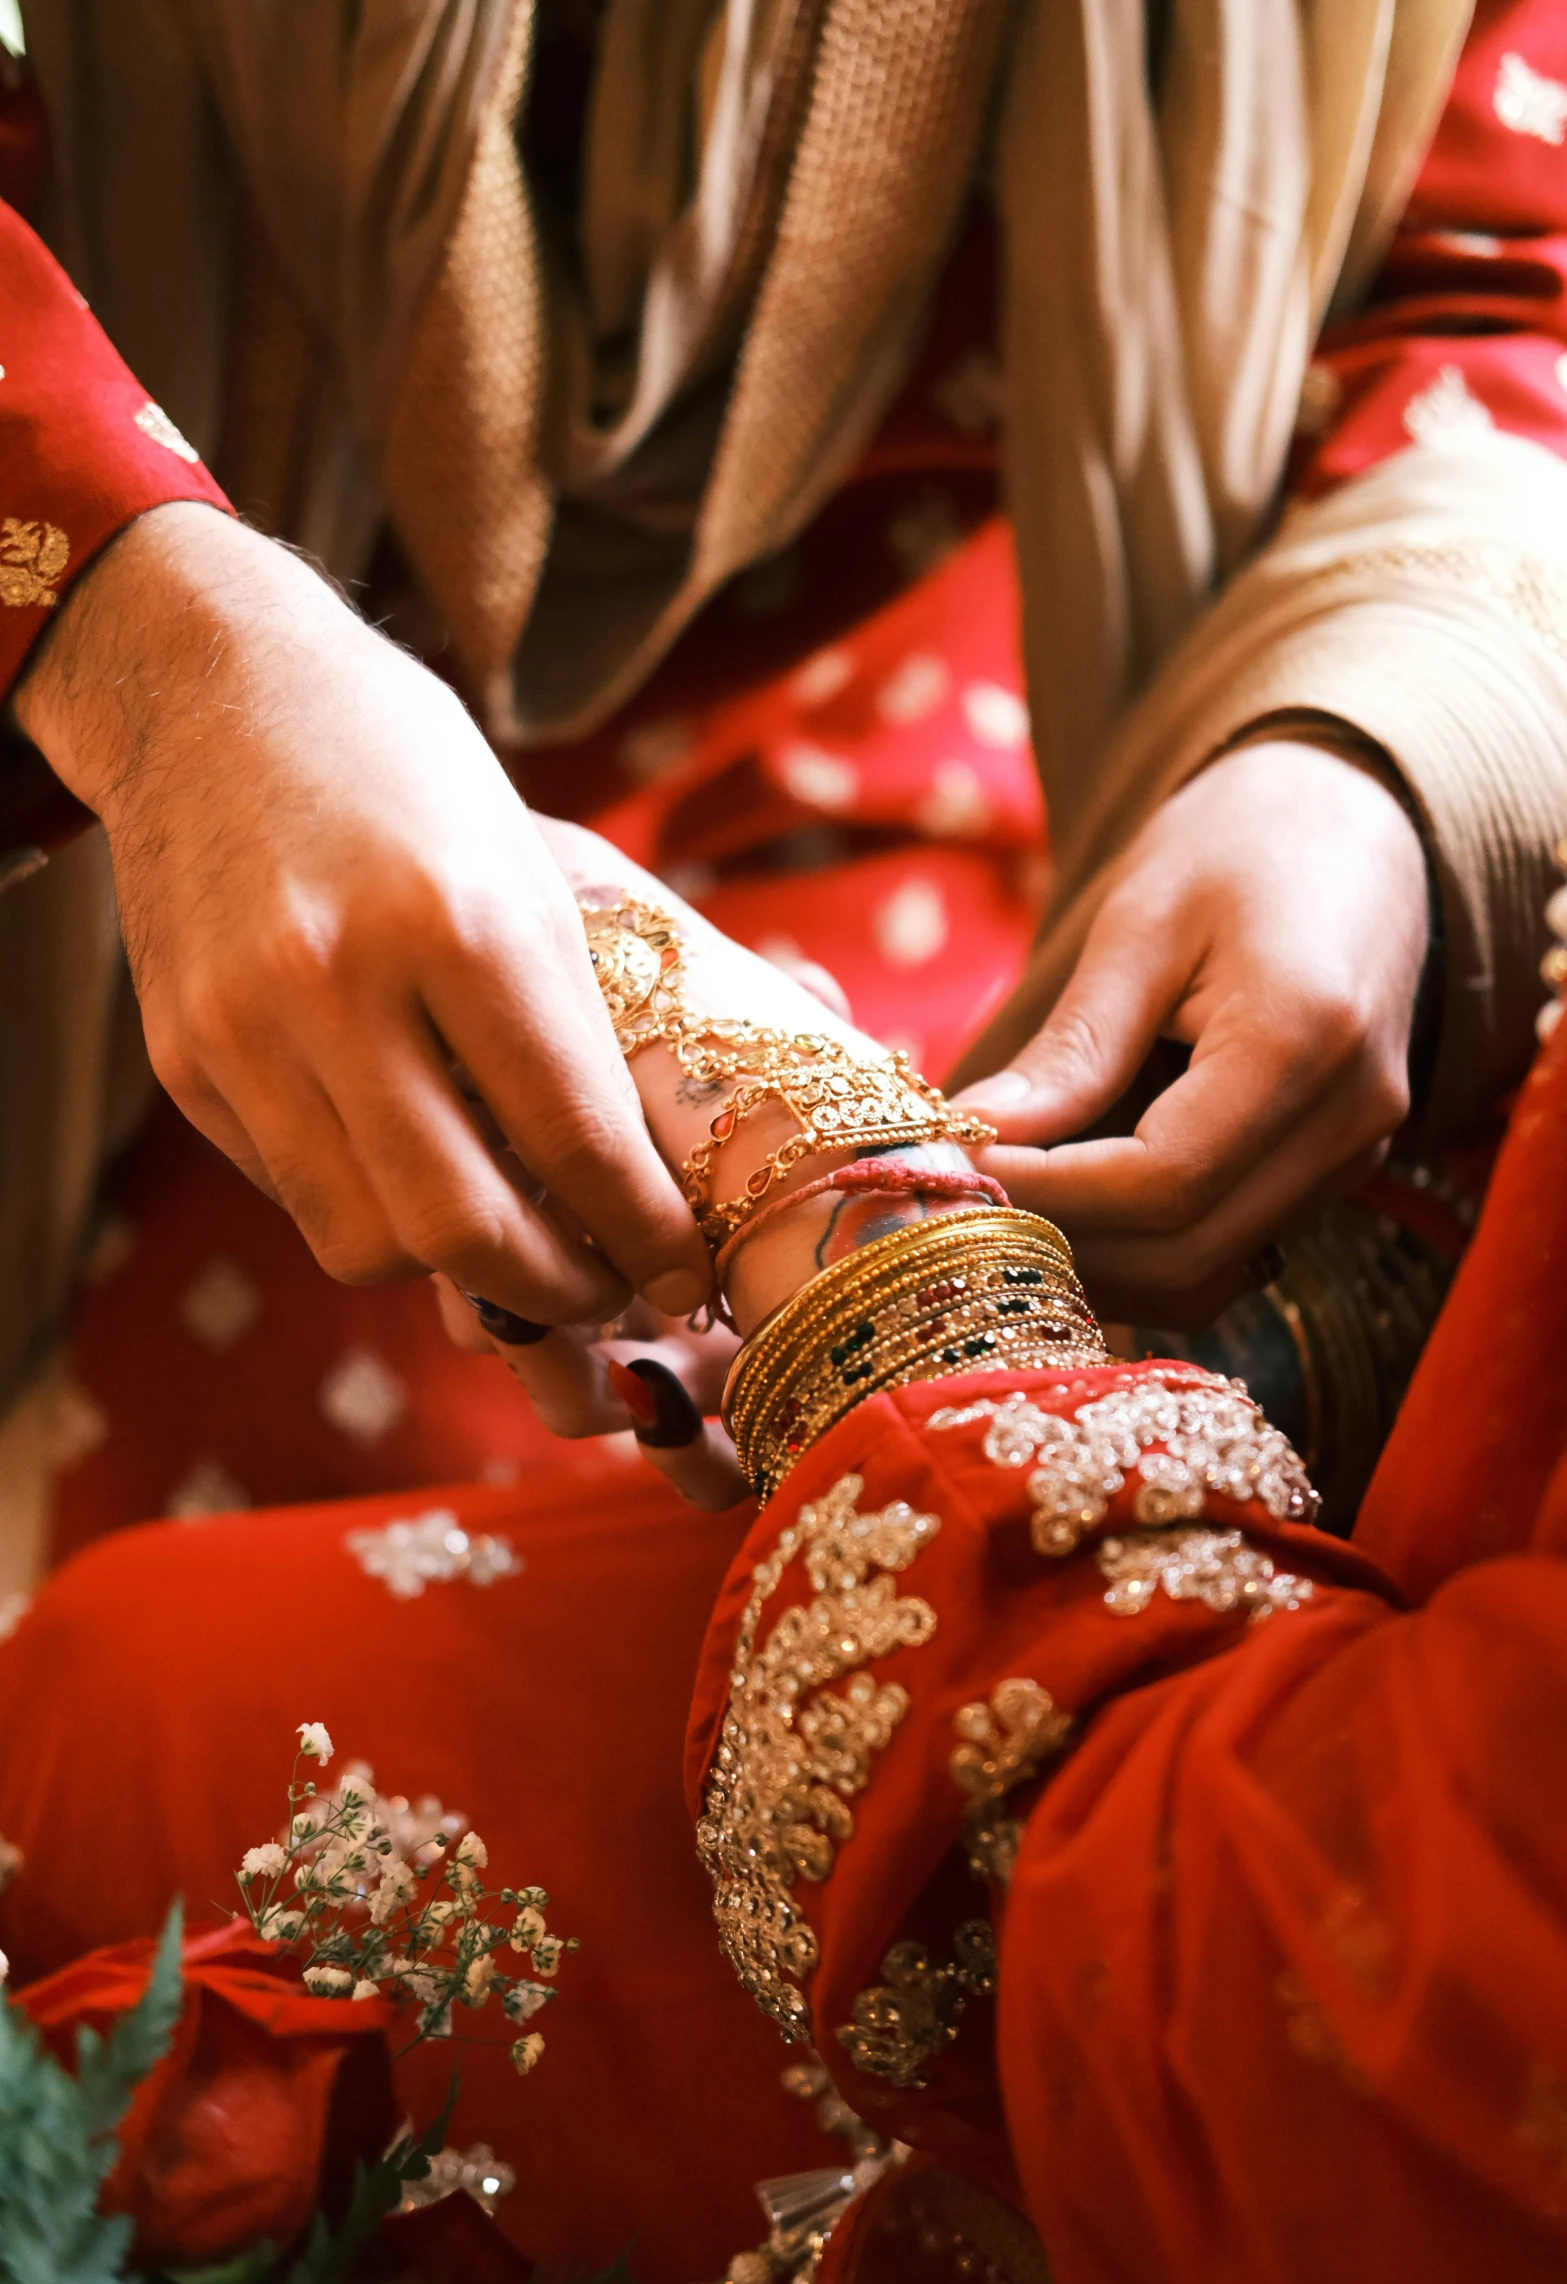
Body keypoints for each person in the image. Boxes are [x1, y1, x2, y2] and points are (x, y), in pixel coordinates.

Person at [0, 832, 1564, 2284]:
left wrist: (868, 1238)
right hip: (1385, 1438)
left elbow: (1311, 2046)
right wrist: (1373, 791)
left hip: (1192, 1987)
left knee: (122, 1735)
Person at [4, 0, 1567, 1460]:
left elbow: (1500, 242)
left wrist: (1364, 760)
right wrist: (136, 630)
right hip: (93, 863)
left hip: (1035, 773)